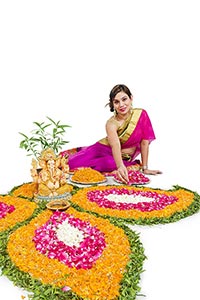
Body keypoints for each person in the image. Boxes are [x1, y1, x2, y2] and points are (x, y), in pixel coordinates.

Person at [61, 84, 162, 183]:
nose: (121, 105)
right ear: (113, 104)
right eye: (116, 102)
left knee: (112, 164)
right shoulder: (111, 123)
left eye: (124, 99)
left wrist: (145, 168)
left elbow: (145, 142)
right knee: (69, 164)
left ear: (131, 98)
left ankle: (120, 164)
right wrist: (120, 166)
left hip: (121, 157)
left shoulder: (141, 114)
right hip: (102, 150)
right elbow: (115, 146)